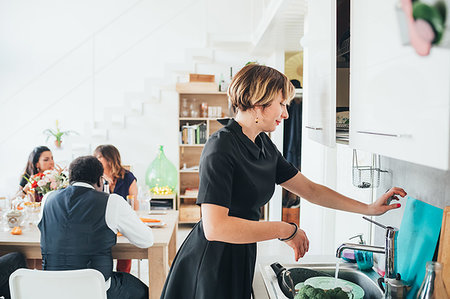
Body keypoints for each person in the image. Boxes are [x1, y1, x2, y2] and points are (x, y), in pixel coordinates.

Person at [160, 64, 407, 299]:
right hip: (210, 263)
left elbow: (310, 190)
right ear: (259, 104)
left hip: (241, 253)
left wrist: (369, 208)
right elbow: (216, 228)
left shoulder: (263, 144)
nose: (286, 113)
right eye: (281, 104)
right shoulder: (221, 146)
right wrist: (285, 229)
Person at [38, 155, 153, 299]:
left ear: (70, 179)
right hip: (96, 291)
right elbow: (146, 240)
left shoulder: (47, 199)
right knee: (147, 291)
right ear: (100, 180)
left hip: (53, 289)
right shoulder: (112, 201)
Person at [94, 144, 138, 273]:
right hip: (101, 222)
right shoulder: (95, 179)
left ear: (109, 159)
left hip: (122, 221)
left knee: (127, 246)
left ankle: (122, 276)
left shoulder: (128, 177)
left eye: (98, 157)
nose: (95, 160)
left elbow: (134, 205)